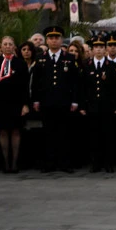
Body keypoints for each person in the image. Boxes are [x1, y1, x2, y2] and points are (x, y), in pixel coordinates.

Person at [31, 25, 80, 172]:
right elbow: (36, 82)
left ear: (61, 40)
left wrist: (75, 100)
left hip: (64, 101)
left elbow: (75, 82)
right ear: (47, 40)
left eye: (57, 38)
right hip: (46, 102)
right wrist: (36, 100)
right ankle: (49, 163)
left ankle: (65, 163)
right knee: (48, 133)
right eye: (51, 38)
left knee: (64, 133)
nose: (54, 41)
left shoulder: (69, 59)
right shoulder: (40, 59)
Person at [0, 35, 30, 173]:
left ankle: (15, 162)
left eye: (10, 44)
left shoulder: (21, 63)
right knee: (3, 132)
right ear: (1, 46)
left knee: (16, 132)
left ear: (14, 46)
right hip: (0, 103)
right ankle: (5, 162)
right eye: (4, 44)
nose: (7, 46)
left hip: (17, 102)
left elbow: (25, 86)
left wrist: (25, 104)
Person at [80, 36, 116, 173]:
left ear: (105, 50)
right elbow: (84, 88)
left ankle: (108, 163)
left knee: (108, 136)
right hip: (92, 106)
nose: (98, 50)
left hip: (107, 107)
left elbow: (115, 87)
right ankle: (95, 163)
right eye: (96, 47)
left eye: (101, 47)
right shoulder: (87, 65)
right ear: (92, 50)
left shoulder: (111, 67)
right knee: (94, 136)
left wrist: (115, 107)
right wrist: (83, 106)